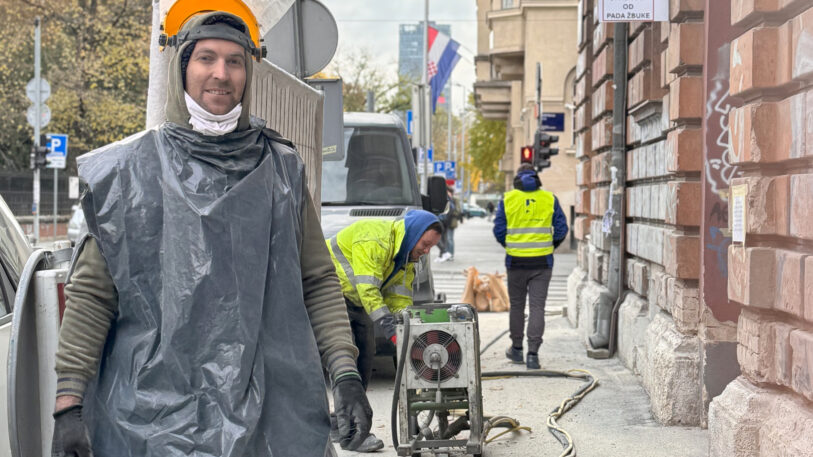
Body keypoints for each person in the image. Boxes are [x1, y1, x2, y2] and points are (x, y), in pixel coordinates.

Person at [50, 12, 371, 457]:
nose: (221, 74)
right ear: (182, 65)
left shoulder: (280, 169)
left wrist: (346, 374)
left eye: (235, 61)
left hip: (269, 418)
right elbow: (91, 295)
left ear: (248, 72)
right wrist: (68, 403)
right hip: (150, 421)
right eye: (206, 58)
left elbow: (316, 280)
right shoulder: (127, 173)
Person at [326, 210, 442, 450]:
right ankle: (353, 435)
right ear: (414, 234)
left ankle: (339, 424)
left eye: (432, 247)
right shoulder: (375, 238)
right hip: (329, 294)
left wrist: (408, 330)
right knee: (346, 363)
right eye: (425, 244)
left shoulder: (405, 257)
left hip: (355, 301)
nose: (426, 250)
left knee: (365, 359)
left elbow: (399, 299)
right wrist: (390, 328)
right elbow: (368, 290)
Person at [492, 164, 568, 369]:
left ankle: (516, 350)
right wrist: (550, 246)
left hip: (515, 262)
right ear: (536, 177)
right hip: (542, 263)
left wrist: (509, 245)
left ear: (517, 177)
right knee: (537, 307)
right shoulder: (549, 198)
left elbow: (499, 229)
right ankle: (533, 355)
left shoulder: (508, 199)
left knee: (516, 306)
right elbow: (562, 229)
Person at [435, 187, 460, 262]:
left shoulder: (453, 199)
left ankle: (449, 254)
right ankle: (443, 254)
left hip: (450, 222)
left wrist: (449, 216)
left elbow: (456, 210)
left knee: (449, 239)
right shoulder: (447, 198)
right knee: (444, 239)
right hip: (445, 221)